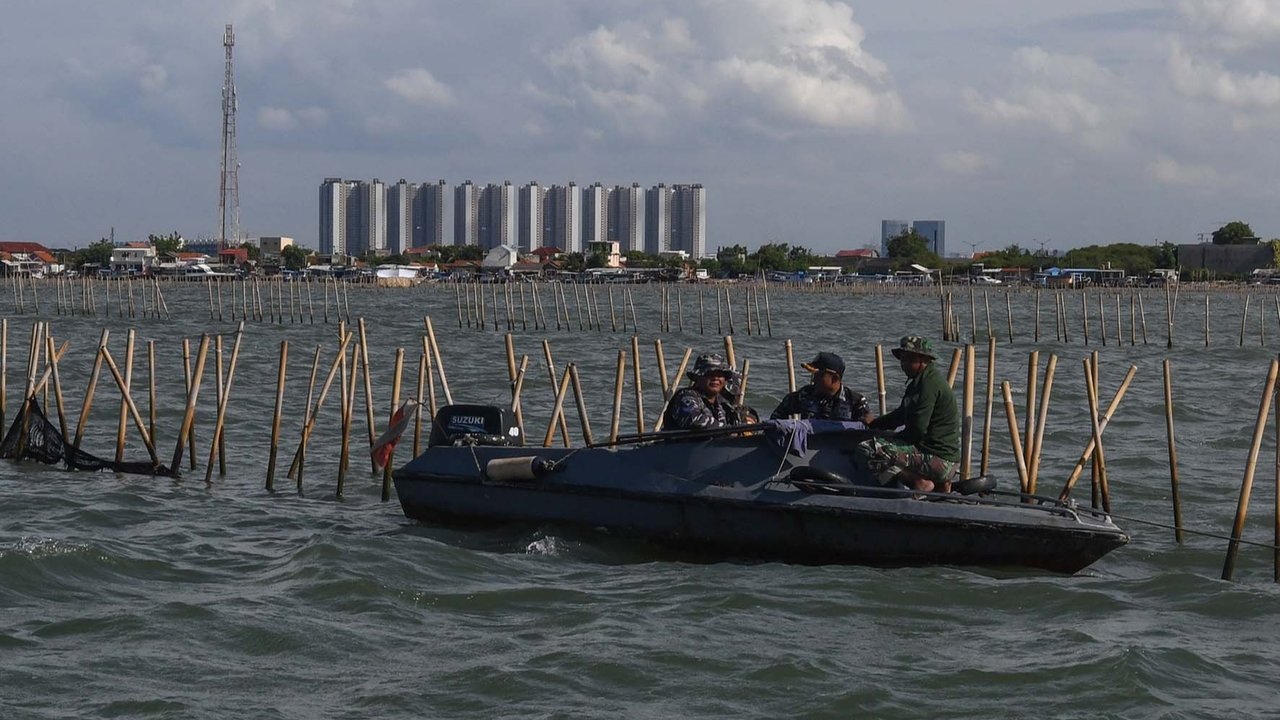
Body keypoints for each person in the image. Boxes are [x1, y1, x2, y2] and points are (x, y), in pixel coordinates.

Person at [854, 336, 959, 494]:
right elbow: (900, 415)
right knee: (884, 442)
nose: (904, 365)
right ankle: (935, 485)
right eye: (902, 360)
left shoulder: (928, 385)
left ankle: (918, 482)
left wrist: (894, 440)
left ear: (923, 360)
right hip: (938, 457)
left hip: (938, 460)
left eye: (909, 360)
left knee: (866, 449)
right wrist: (875, 423)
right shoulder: (921, 382)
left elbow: (917, 430)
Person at [662, 353, 758, 431]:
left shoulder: (722, 402)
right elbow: (696, 421)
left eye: (720, 374)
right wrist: (729, 430)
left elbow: (743, 414)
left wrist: (748, 419)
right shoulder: (685, 397)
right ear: (697, 377)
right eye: (709, 374)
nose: (715, 378)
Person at [770, 351, 872, 423]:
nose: (814, 379)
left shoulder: (855, 401)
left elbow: (866, 429)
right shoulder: (805, 395)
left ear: (835, 378)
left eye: (819, 375)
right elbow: (776, 417)